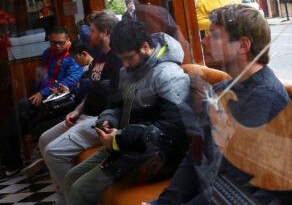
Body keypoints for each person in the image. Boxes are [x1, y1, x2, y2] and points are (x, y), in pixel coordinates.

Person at [152, 4, 292, 204]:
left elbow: (233, 188)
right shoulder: (220, 90)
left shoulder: (264, 97)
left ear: (243, 45)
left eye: (215, 36)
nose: (204, 41)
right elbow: (196, 157)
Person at [62, 20, 190, 204]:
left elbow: (171, 132)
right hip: (126, 145)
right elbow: (118, 106)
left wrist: (119, 138)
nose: (124, 64)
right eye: (121, 58)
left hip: (155, 157)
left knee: (78, 191)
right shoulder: (128, 71)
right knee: (69, 179)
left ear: (145, 47)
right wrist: (108, 121)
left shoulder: (169, 75)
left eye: (128, 58)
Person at [36, 11, 122, 202]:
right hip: (85, 114)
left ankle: (78, 198)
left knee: (53, 152)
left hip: (101, 119)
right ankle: (64, 195)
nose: (87, 34)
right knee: (44, 139)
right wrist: (77, 110)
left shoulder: (117, 58)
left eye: (91, 31)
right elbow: (90, 90)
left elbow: (116, 97)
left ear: (105, 32)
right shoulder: (100, 57)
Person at [0, 26, 83, 176]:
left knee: (23, 111)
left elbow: (71, 81)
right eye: (53, 43)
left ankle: (14, 161)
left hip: (61, 100)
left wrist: (42, 92)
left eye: (60, 43)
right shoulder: (47, 54)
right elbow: (42, 76)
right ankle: (13, 159)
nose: (56, 46)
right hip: (44, 98)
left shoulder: (73, 55)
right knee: (19, 116)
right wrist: (38, 90)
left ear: (68, 41)